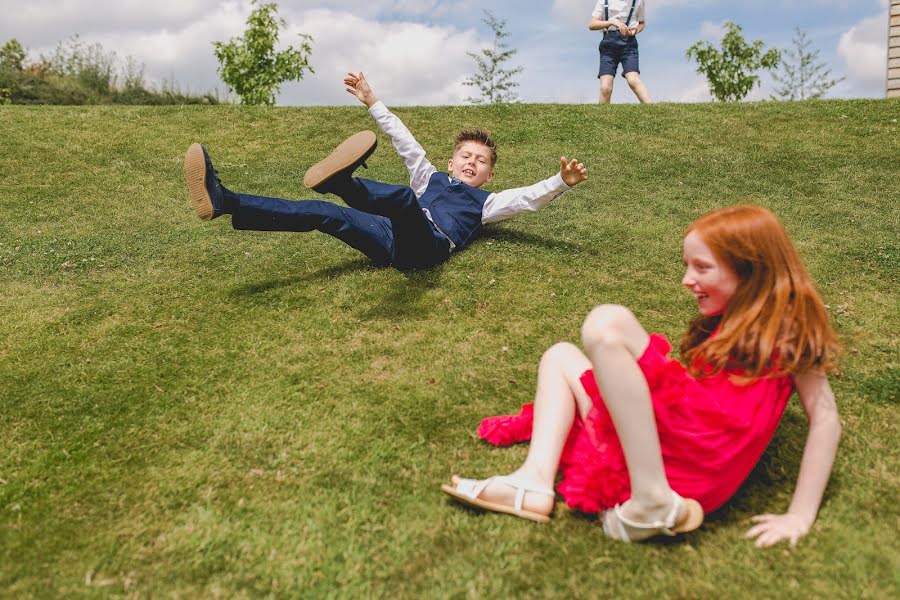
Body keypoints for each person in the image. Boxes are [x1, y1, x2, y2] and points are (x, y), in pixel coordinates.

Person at [442, 205, 842, 545]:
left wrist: (799, 516)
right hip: (677, 449)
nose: (687, 280)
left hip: (697, 463)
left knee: (608, 322)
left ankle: (651, 497)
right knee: (560, 355)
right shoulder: (727, 323)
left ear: (751, 270)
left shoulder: (788, 330)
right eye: (687, 266)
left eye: (702, 267)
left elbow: (825, 420)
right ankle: (533, 481)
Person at [183, 72, 588, 271]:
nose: (471, 163)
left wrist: (561, 183)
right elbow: (406, 143)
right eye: (465, 156)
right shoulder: (430, 174)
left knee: (404, 200)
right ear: (451, 162)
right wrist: (373, 102)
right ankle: (227, 202)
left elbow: (527, 199)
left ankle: (343, 183)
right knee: (323, 214)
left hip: (426, 247)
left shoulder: (488, 202)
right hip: (384, 235)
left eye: (481, 161)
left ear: (490, 176)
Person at [588, 0, 651, 104]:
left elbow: (642, 23)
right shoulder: (604, 1)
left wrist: (634, 31)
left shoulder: (638, 1)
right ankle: (602, 117)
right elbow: (592, 24)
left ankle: (655, 112)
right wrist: (612, 22)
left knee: (633, 80)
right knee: (605, 88)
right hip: (608, 44)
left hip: (629, 44)